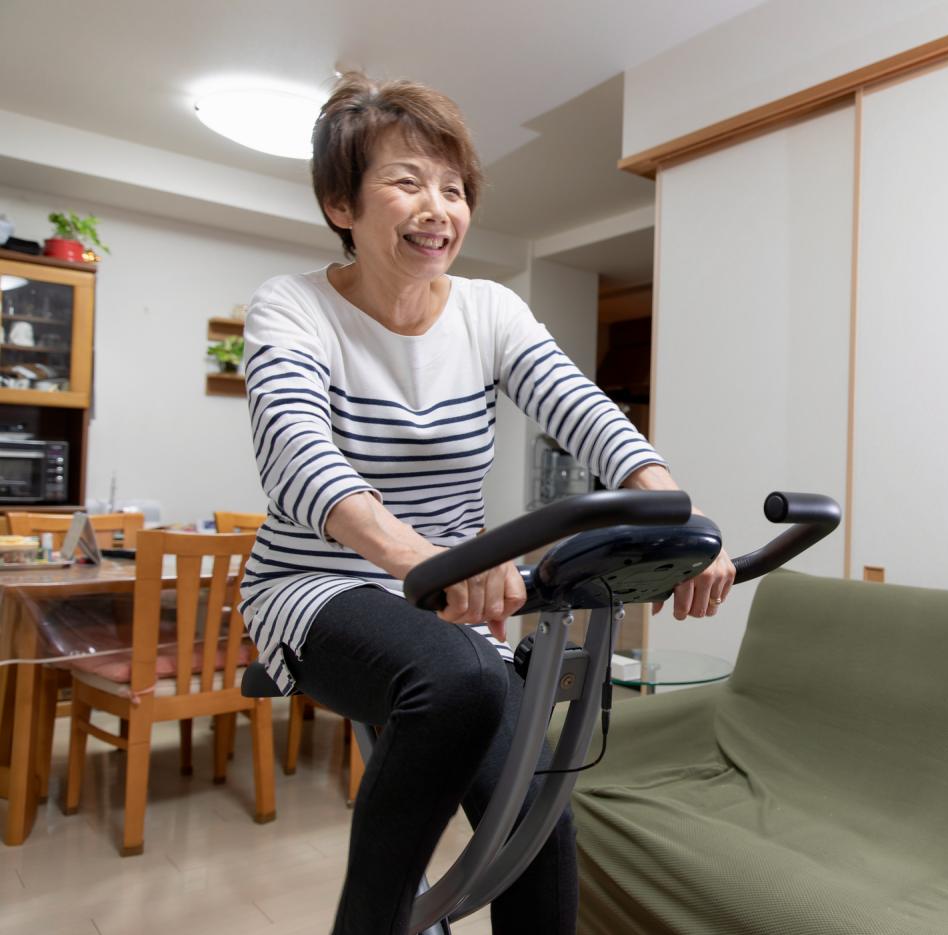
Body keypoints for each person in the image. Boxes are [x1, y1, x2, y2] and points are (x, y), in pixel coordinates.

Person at [240, 73, 735, 935]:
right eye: (406, 181)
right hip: (313, 589)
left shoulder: (489, 311)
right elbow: (298, 456)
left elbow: (580, 408)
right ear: (340, 203)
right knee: (462, 675)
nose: (438, 207)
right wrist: (424, 561)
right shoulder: (294, 308)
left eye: (455, 187)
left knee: (535, 816)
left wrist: (679, 519)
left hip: (445, 603)